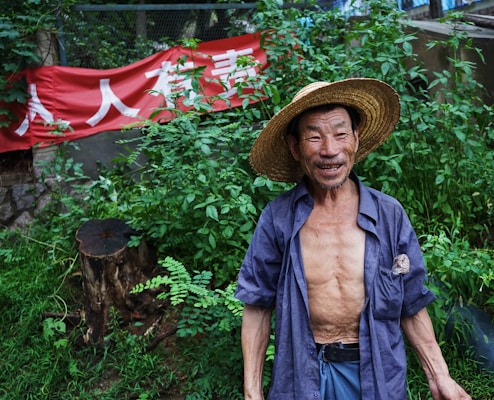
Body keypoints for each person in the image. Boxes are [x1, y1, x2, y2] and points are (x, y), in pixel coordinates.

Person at [234, 78, 471, 400]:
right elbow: (258, 306)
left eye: (340, 133)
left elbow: (410, 302)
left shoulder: (389, 216)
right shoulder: (278, 219)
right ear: (295, 147)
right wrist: (252, 392)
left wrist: (439, 375)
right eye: (314, 137)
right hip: (302, 377)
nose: (329, 150)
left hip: (377, 374)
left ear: (356, 139)